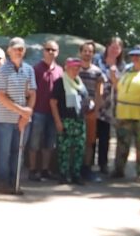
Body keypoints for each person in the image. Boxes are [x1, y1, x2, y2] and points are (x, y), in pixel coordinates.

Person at [0, 38, 36, 193]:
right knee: (4, 152)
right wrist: (22, 111)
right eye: (16, 49)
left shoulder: (29, 70)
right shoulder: (2, 71)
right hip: (5, 119)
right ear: (9, 51)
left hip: (23, 120)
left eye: (21, 49)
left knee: (18, 152)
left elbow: (32, 93)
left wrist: (27, 114)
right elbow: (1, 96)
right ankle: (3, 182)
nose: (18, 52)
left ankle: (15, 181)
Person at [112, 45, 140, 181]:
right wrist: (113, 77)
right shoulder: (127, 69)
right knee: (122, 144)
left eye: (139, 55)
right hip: (124, 113)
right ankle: (119, 170)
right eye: (133, 55)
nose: (135, 58)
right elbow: (118, 87)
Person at [50, 57, 90, 185]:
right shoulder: (60, 82)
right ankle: (63, 174)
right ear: (66, 68)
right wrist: (57, 121)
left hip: (79, 120)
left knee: (79, 148)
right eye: (73, 67)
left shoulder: (80, 83)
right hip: (65, 120)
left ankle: (76, 174)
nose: (75, 70)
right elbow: (53, 102)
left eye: (78, 68)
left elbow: (85, 99)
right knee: (64, 149)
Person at [28, 40, 63, 181]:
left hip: (53, 113)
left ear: (57, 52)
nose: (50, 52)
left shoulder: (60, 71)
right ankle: (32, 170)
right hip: (38, 111)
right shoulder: (36, 69)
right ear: (43, 51)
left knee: (50, 142)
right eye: (48, 49)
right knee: (34, 142)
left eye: (53, 50)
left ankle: (45, 169)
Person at [95, 37, 124, 175]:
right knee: (91, 135)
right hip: (94, 102)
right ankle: (87, 163)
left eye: (117, 48)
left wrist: (113, 72)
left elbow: (118, 85)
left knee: (105, 136)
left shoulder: (122, 65)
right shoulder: (97, 59)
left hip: (109, 106)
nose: (114, 50)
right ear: (107, 47)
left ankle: (103, 164)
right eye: (112, 47)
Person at [78, 42, 105, 182]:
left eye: (90, 51)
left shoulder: (97, 72)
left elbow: (99, 93)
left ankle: (86, 169)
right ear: (80, 52)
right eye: (85, 51)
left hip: (90, 112)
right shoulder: (74, 69)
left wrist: (96, 110)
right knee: (75, 140)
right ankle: (73, 169)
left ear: (93, 54)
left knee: (89, 142)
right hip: (75, 112)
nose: (87, 53)